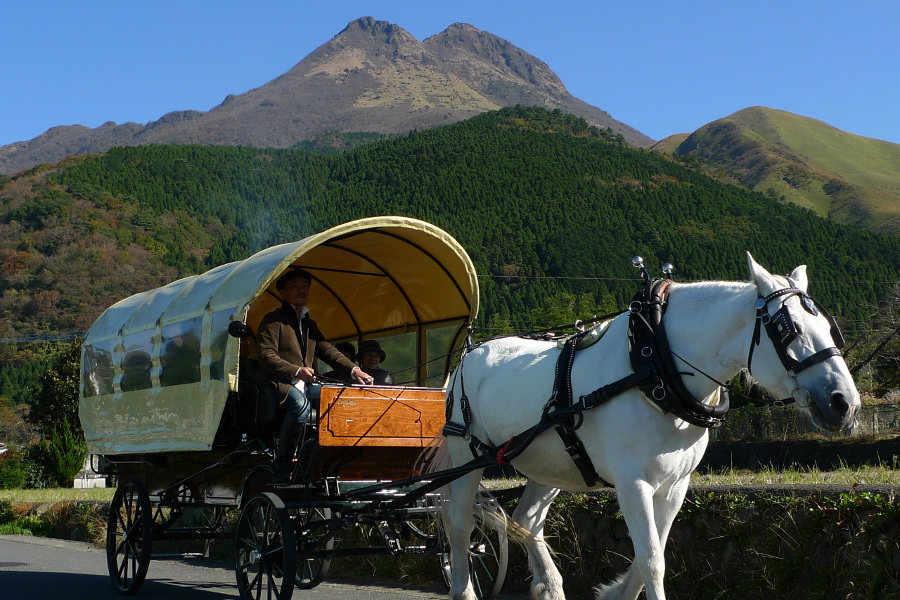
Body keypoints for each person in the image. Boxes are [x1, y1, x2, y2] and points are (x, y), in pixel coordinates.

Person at [256, 268, 373, 483]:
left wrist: (354, 370)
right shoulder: (274, 320)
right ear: (283, 293)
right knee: (300, 408)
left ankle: (325, 462)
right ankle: (283, 466)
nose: (302, 290)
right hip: (280, 383)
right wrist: (296, 370)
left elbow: (327, 350)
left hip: (307, 384)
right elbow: (266, 355)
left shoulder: (309, 324)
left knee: (342, 399)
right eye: (295, 287)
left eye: (305, 286)